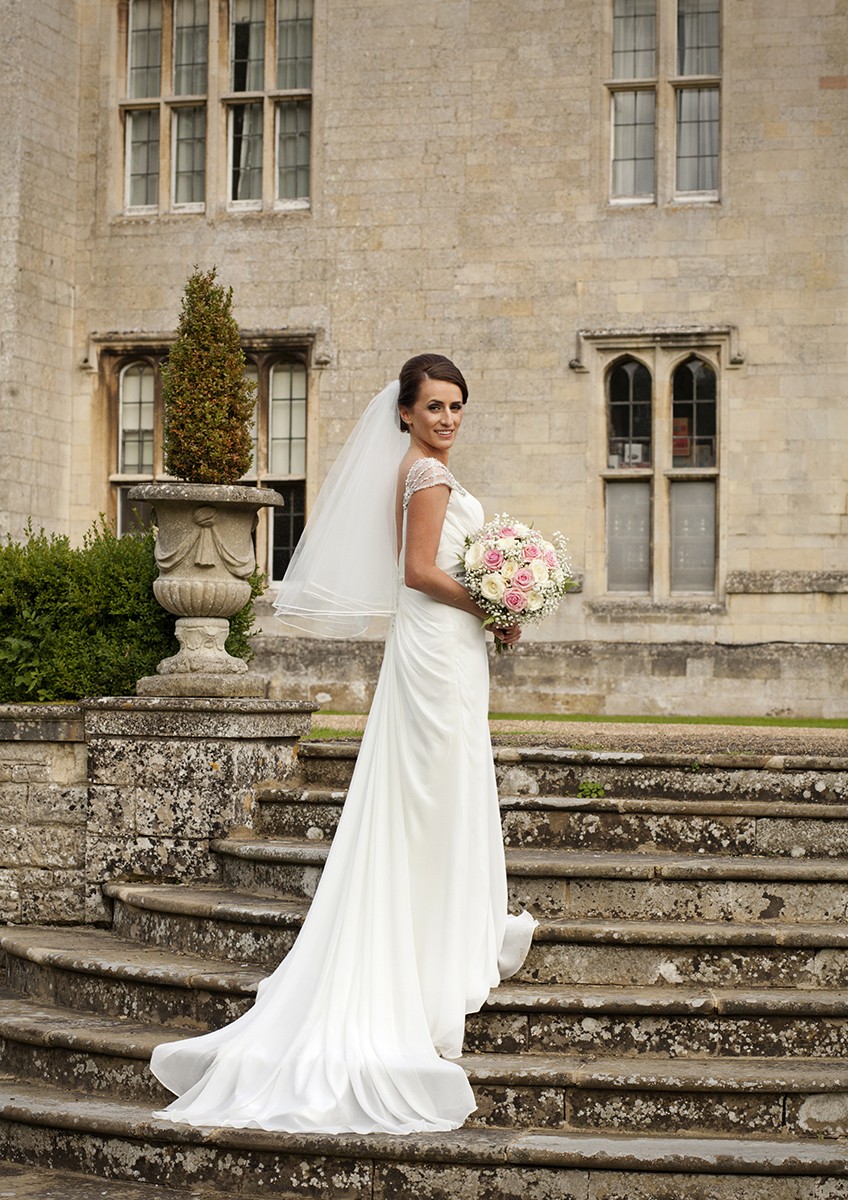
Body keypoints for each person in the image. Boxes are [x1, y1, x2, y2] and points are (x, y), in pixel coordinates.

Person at [149, 354, 537, 1134]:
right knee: (430, 794)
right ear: (404, 412)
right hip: (435, 645)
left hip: (446, 648)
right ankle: (428, 945)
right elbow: (421, 571)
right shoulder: (424, 477)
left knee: (444, 789)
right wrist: (493, 601)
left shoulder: (427, 470)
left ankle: (444, 923)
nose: (448, 419)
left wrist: (496, 601)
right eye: (433, 406)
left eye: (457, 406)